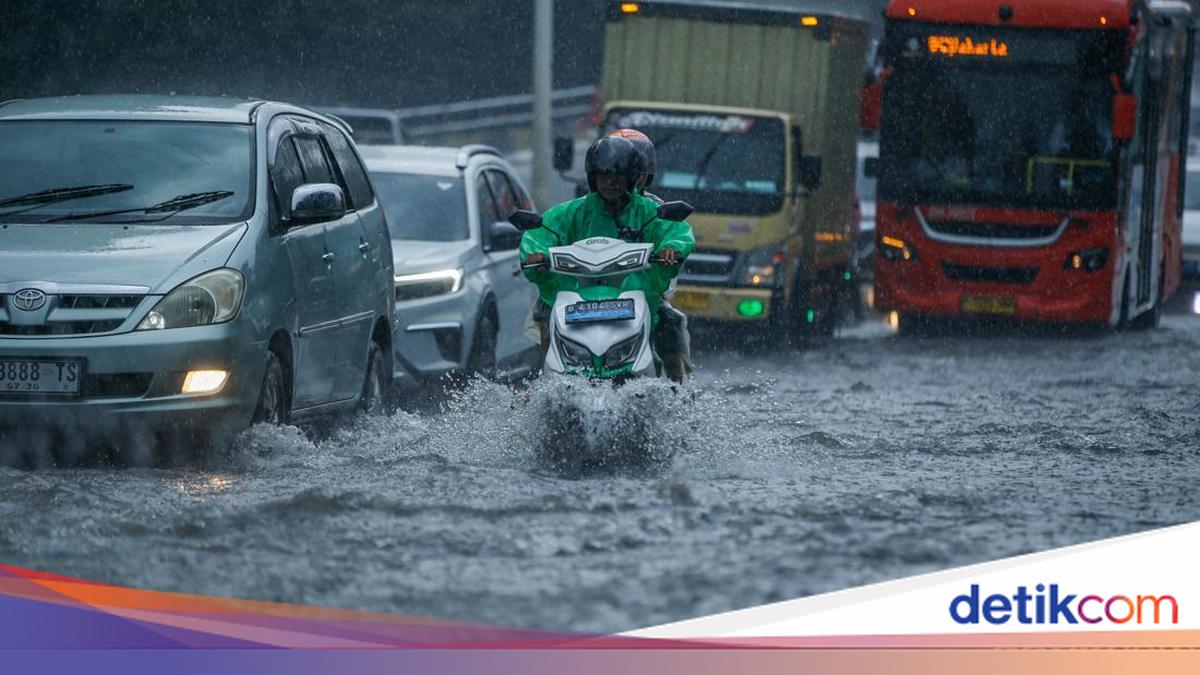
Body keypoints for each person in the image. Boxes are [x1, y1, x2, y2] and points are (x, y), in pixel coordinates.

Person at [520, 134, 695, 382]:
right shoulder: (575, 211)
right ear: (593, 177)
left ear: (634, 177)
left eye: (618, 177)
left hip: (634, 289)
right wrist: (535, 255)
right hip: (579, 289)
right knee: (545, 313)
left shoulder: (649, 210)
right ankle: (545, 379)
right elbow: (542, 231)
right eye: (604, 176)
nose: (610, 183)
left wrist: (671, 249)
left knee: (668, 322)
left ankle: (677, 389)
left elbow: (673, 231)